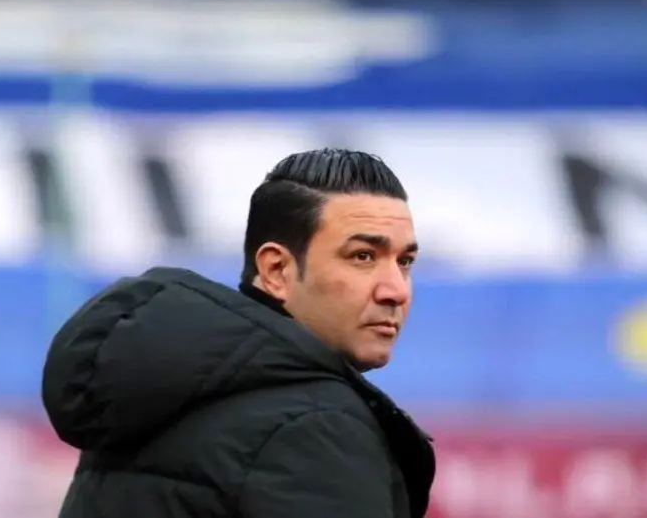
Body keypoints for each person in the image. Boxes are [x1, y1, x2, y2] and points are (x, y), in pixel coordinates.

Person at [41, 148, 436, 518]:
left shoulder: (153, 392)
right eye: (363, 256)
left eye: (405, 262)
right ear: (277, 270)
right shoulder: (317, 427)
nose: (396, 290)